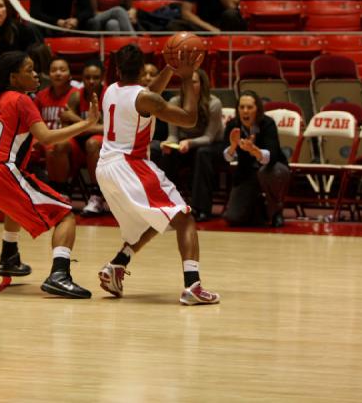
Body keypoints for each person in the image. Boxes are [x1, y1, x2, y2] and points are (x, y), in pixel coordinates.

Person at [95, 44, 220, 305]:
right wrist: (186, 77)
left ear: (117, 68)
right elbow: (188, 119)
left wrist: (169, 68)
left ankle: (116, 266)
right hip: (131, 165)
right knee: (184, 217)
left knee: (152, 221)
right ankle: (193, 286)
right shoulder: (144, 97)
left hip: (106, 167)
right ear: (142, 70)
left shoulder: (110, 91)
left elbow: (147, 96)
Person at [0, 51, 99, 298]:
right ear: (14, 77)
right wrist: (87, 123)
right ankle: (60, 274)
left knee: (13, 202)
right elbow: (46, 137)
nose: (36, 74)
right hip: (0, 170)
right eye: (29, 70)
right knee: (65, 215)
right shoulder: (22, 100)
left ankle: (9, 256)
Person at [151, 69, 224, 202]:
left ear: (202, 85)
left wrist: (190, 143)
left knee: (202, 153)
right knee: (162, 151)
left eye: (194, 82)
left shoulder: (214, 104)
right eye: (186, 82)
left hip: (209, 144)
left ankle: (200, 207)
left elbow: (209, 137)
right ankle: (167, 201)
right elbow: (173, 135)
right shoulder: (174, 101)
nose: (189, 86)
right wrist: (167, 143)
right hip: (184, 144)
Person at [222, 91, 290, 228]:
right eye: (241, 107)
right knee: (233, 218)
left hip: (272, 169)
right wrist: (233, 146)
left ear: (257, 109)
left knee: (267, 172)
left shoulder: (267, 123)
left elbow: (273, 156)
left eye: (249, 107)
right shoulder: (233, 125)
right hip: (247, 173)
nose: (245, 111)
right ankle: (260, 210)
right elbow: (226, 157)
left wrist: (255, 151)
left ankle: (277, 212)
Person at [61, 60, 108, 215]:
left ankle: (96, 196)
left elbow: (109, 129)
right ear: (82, 78)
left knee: (92, 142)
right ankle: (61, 194)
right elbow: (66, 128)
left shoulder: (109, 95)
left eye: (95, 77)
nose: (91, 81)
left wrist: (76, 121)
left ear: (103, 78)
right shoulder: (75, 97)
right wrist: (90, 126)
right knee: (59, 144)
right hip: (79, 143)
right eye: (87, 77)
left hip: (106, 145)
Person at [32, 57, 78, 197]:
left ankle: (60, 190)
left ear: (70, 74)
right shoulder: (40, 96)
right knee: (26, 147)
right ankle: (32, 190)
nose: (58, 73)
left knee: (55, 146)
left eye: (62, 70)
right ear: (48, 74)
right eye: (53, 70)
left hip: (69, 140)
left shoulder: (76, 94)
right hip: (45, 138)